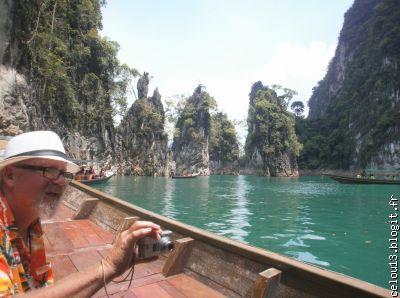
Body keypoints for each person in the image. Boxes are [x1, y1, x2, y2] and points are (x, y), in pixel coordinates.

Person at [0, 131, 161, 296]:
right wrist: (108, 266)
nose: (62, 181)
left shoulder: (31, 222)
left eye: (63, 173)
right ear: (10, 175)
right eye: (48, 170)